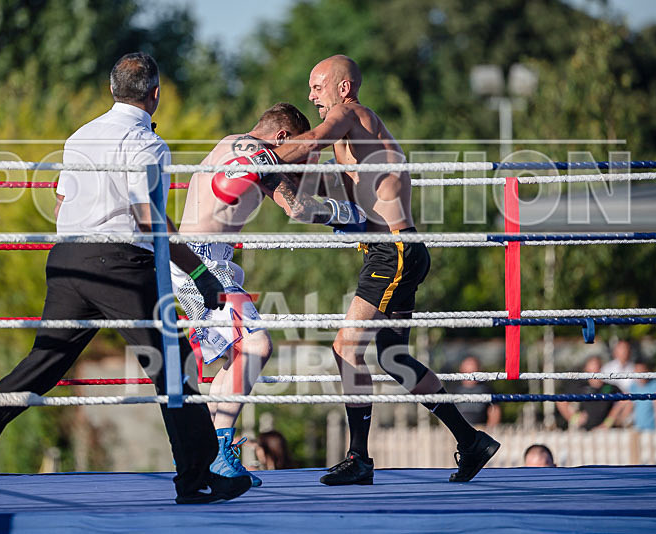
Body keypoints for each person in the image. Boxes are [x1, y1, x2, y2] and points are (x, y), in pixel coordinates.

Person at [0, 52, 252, 506]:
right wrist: (200, 271)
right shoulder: (149, 146)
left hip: (66, 261)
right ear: (156, 95)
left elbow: (64, 206)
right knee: (172, 365)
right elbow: (149, 222)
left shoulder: (78, 137)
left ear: (111, 90)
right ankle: (197, 478)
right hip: (120, 265)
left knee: (40, 367)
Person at [220, 55, 499, 485]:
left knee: (346, 349)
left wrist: (252, 155)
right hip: (393, 251)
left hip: (393, 252)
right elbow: (319, 189)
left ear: (343, 88)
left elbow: (308, 142)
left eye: (317, 86)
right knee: (394, 357)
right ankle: (471, 440)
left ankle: (360, 458)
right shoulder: (354, 138)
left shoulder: (348, 115)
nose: (311, 95)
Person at [173, 102, 366, 487]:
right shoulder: (246, 152)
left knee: (237, 356)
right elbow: (296, 207)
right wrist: (354, 216)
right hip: (201, 266)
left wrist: (340, 204)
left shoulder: (243, 152)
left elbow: (297, 195)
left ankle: (212, 455)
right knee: (255, 347)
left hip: (206, 264)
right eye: (297, 147)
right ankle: (218, 456)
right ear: (282, 138)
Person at [556, 356, 629, 431]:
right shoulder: (581, 387)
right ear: (586, 369)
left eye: (597, 367)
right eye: (592, 368)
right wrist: (574, 418)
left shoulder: (609, 387)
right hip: (585, 432)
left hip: (606, 432)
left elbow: (627, 400)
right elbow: (560, 401)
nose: (595, 370)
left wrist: (611, 420)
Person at [449, 356, 501, 428]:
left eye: (473, 373)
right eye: (466, 372)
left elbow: (494, 410)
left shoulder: (486, 389)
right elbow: (448, 412)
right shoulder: (454, 389)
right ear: (461, 370)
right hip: (459, 429)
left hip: (481, 429)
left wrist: (489, 430)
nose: (470, 376)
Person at [628, 360, 656, 431]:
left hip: (653, 429)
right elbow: (628, 406)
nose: (640, 374)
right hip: (638, 428)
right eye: (637, 371)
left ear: (647, 370)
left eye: (642, 371)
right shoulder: (633, 386)